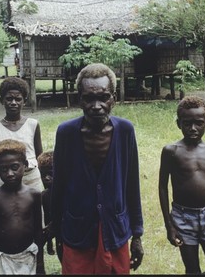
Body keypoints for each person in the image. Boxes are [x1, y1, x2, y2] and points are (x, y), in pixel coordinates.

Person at [51, 63, 144, 274]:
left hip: (115, 229)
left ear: (114, 98)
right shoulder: (66, 133)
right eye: (88, 98)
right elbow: (59, 185)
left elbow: (132, 184)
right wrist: (56, 230)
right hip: (77, 231)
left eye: (103, 98)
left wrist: (137, 235)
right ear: (79, 99)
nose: (96, 105)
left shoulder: (125, 131)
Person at [158, 95, 205, 274]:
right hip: (183, 219)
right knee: (192, 270)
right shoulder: (171, 152)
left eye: (198, 123)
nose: (193, 128)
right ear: (178, 124)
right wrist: (169, 225)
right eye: (186, 123)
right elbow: (162, 188)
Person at [0, 139, 45, 275]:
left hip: (28, 256)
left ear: (25, 165)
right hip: (3, 258)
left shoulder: (33, 195)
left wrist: (40, 262)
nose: (10, 173)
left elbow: (38, 231)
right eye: (4, 169)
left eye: (14, 167)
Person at [0, 76, 44, 192]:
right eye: (9, 99)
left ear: (24, 101)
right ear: (1, 100)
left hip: (32, 180)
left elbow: (40, 157)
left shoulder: (33, 125)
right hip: (6, 181)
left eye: (18, 99)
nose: (13, 103)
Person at [37, 150, 57, 256]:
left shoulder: (69, 192)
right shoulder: (44, 195)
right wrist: (49, 242)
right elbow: (47, 220)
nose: (46, 178)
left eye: (50, 173)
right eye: (43, 175)